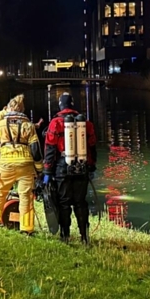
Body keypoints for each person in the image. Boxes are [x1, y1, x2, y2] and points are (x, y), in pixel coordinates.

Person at [43, 92, 98, 244]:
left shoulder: (55, 123)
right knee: (80, 201)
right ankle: (84, 237)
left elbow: (50, 148)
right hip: (82, 164)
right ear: (73, 104)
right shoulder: (85, 123)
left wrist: (47, 171)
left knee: (64, 202)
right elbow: (92, 146)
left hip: (63, 165)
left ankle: (65, 235)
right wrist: (91, 166)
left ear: (60, 105)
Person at [0, 94, 43, 234]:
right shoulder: (28, 126)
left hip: (6, 163)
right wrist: (39, 169)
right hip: (25, 164)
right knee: (26, 196)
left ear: (9, 108)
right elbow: (35, 149)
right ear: (22, 109)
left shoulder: (0, 124)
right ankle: (26, 228)